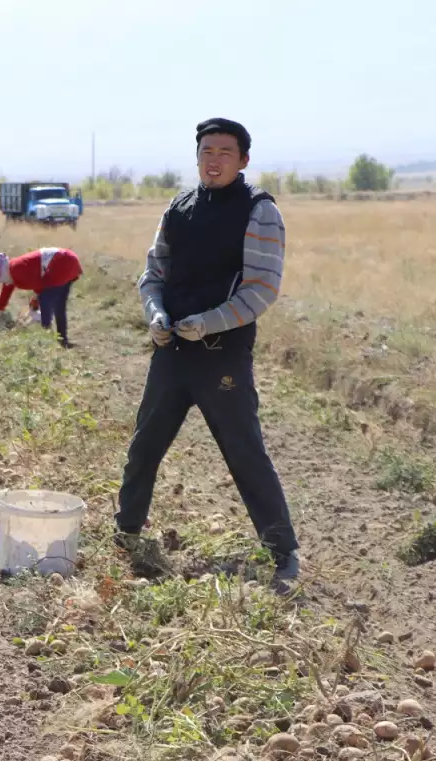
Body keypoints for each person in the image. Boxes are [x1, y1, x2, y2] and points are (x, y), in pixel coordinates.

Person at [114, 117, 300, 592]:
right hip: (171, 351)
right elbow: (152, 274)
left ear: (243, 160)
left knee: (244, 451)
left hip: (222, 355)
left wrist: (209, 323)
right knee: (144, 446)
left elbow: (262, 289)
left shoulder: (259, 212)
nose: (213, 160)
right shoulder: (179, 208)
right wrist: (155, 314)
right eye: (206, 151)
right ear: (196, 157)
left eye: (224, 152)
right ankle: (126, 533)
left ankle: (283, 554)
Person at [0, 248, 81, 347]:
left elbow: (40, 286)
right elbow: (2, 301)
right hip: (68, 261)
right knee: (58, 306)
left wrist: (35, 301)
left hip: (63, 261)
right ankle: (62, 341)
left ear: (0, 271)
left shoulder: (16, 269)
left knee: (45, 299)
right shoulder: (10, 273)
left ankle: (46, 340)